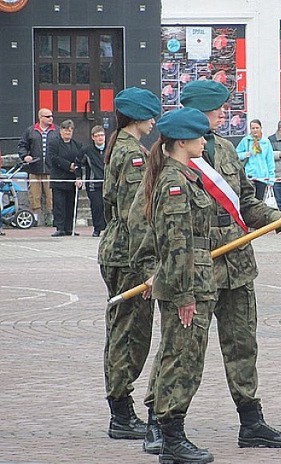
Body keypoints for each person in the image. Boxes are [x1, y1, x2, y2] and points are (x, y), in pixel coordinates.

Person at [180, 79, 281, 448]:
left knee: (242, 345)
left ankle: (251, 423)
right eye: (217, 110)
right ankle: (163, 421)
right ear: (201, 111)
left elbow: (246, 201)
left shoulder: (230, 151)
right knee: (184, 349)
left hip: (236, 262)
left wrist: (276, 217)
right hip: (198, 265)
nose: (222, 115)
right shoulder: (174, 153)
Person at [136, 107, 217, 464]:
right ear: (182, 141)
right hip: (187, 286)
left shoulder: (184, 176)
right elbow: (176, 243)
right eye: (199, 135)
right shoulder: (175, 183)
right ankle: (172, 437)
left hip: (194, 281)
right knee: (181, 361)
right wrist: (184, 295)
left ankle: (172, 434)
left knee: (185, 359)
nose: (204, 140)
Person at [98, 87, 161, 440]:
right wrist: (147, 264)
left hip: (118, 249)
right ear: (137, 117)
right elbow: (136, 214)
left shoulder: (120, 146)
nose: (154, 120)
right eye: (150, 114)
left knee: (123, 330)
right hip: (128, 253)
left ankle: (120, 409)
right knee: (129, 333)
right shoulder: (132, 155)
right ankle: (121, 413)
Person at [17, 108, 57, 226]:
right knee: (34, 195)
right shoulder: (30, 131)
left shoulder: (57, 131)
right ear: (41, 117)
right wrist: (25, 156)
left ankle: (51, 219)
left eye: (51, 116)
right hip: (35, 168)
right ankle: (34, 219)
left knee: (51, 196)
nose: (51, 118)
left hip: (51, 170)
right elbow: (22, 145)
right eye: (48, 116)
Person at [47, 119, 83, 237]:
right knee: (59, 205)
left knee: (71, 204)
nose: (68, 133)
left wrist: (77, 173)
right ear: (61, 131)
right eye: (66, 130)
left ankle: (69, 228)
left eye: (70, 130)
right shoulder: (53, 143)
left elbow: (79, 159)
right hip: (58, 178)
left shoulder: (77, 145)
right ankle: (60, 228)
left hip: (71, 179)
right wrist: (68, 165)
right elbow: (53, 158)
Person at [236, 119, 275, 200]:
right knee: (248, 199)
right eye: (253, 128)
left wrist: (271, 179)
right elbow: (236, 154)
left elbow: (270, 161)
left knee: (259, 200)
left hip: (262, 176)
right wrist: (245, 154)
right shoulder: (246, 140)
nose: (255, 130)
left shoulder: (266, 142)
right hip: (249, 175)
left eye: (257, 128)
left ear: (261, 128)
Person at [80, 125, 107, 237]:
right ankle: (97, 228)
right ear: (93, 137)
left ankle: (109, 228)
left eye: (102, 135)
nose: (100, 138)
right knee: (96, 206)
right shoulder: (86, 150)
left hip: (108, 183)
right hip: (93, 184)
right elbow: (78, 164)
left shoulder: (111, 148)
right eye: (97, 136)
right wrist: (78, 178)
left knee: (108, 206)